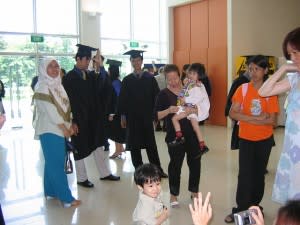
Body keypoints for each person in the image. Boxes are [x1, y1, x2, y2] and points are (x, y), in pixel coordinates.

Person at [224, 55, 279, 223]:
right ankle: (240, 210)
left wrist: (245, 116)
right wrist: (256, 119)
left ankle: (254, 206)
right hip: (246, 139)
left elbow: (273, 120)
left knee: (258, 175)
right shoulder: (243, 89)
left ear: (265, 70)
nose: (253, 72)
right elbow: (232, 113)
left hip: (264, 139)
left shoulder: (270, 92)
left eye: (257, 69)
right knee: (245, 175)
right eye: (250, 69)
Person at [62, 44, 120, 188]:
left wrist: (100, 66)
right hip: (79, 119)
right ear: (78, 59)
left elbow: (103, 85)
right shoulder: (69, 78)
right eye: (85, 60)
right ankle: (82, 178)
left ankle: (104, 173)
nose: (87, 62)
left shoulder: (89, 75)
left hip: (94, 118)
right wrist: (72, 120)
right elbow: (67, 102)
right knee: (79, 148)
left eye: (89, 60)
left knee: (99, 145)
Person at [258, 27, 300, 204]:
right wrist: (283, 69)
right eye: (290, 54)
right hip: (293, 148)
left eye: (296, 52)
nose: (293, 58)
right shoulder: (294, 79)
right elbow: (263, 91)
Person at [33, 58, 81, 207]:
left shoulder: (57, 85)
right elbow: (51, 112)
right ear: (43, 69)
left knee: (51, 163)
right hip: (50, 130)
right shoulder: (42, 86)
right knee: (57, 164)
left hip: (58, 129)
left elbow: (66, 107)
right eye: (50, 66)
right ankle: (66, 197)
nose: (54, 69)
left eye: (57, 66)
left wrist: (71, 123)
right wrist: (65, 129)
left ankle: (51, 191)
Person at [154, 64, 203, 207]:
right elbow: (156, 115)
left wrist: (194, 109)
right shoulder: (163, 94)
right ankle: (173, 195)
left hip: (192, 134)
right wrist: (168, 110)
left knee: (195, 163)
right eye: (169, 79)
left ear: (179, 76)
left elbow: (201, 108)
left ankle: (194, 191)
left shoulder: (190, 90)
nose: (173, 82)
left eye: (175, 78)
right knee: (175, 165)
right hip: (174, 135)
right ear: (165, 79)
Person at [118, 49, 168, 178]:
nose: (136, 62)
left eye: (138, 60)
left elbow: (156, 97)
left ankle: (157, 169)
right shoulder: (127, 80)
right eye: (133, 60)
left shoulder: (150, 79)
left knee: (151, 144)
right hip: (132, 117)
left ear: (141, 61)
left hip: (147, 116)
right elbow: (122, 99)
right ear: (130, 62)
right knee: (134, 145)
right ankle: (139, 170)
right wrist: (123, 116)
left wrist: (156, 115)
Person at [168, 63, 210, 157]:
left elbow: (197, 98)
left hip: (191, 109)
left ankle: (181, 137)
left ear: (199, 75)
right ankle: (202, 145)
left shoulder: (199, 86)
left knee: (176, 119)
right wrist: (185, 86)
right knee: (193, 126)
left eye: (194, 74)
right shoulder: (190, 84)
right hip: (188, 108)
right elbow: (182, 94)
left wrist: (185, 100)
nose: (191, 75)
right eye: (190, 73)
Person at [225, 65, 251, 150]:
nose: (253, 71)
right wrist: (229, 112)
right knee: (242, 142)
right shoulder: (239, 81)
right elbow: (231, 97)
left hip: (255, 120)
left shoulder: (262, 82)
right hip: (241, 115)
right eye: (251, 68)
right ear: (246, 68)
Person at [105, 59, 126, 159]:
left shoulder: (115, 83)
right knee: (117, 131)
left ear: (111, 72)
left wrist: (114, 113)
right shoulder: (117, 82)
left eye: (109, 71)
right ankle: (120, 148)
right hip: (118, 111)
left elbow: (118, 99)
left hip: (117, 112)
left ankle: (118, 151)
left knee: (116, 132)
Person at [154, 66, 167, 132]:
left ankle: (157, 126)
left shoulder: (155, 78)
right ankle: (165, 126)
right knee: (165, 111)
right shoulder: (167, 77)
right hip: (166, 95)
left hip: (157, 96)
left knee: (157, 111)